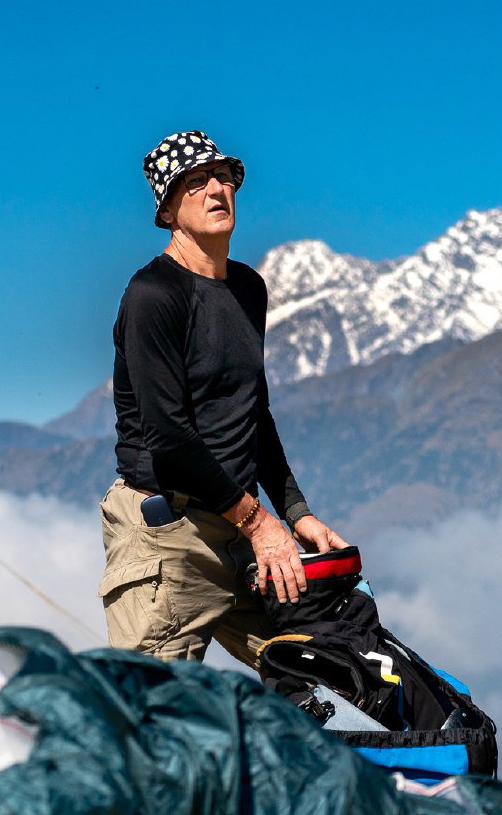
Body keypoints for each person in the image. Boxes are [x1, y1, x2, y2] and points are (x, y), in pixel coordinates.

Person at [98, 130, 349, 668]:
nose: (217, 189)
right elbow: (169, 438)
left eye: (225, 176)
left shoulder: (247, 288)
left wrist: (296, 513)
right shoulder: (153, 295)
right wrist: (263, 526)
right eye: (195, 182)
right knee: (152, 717)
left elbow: (252, 413)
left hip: (240, 527)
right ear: (167, 210)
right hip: (169, 536)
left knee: (318, 677)